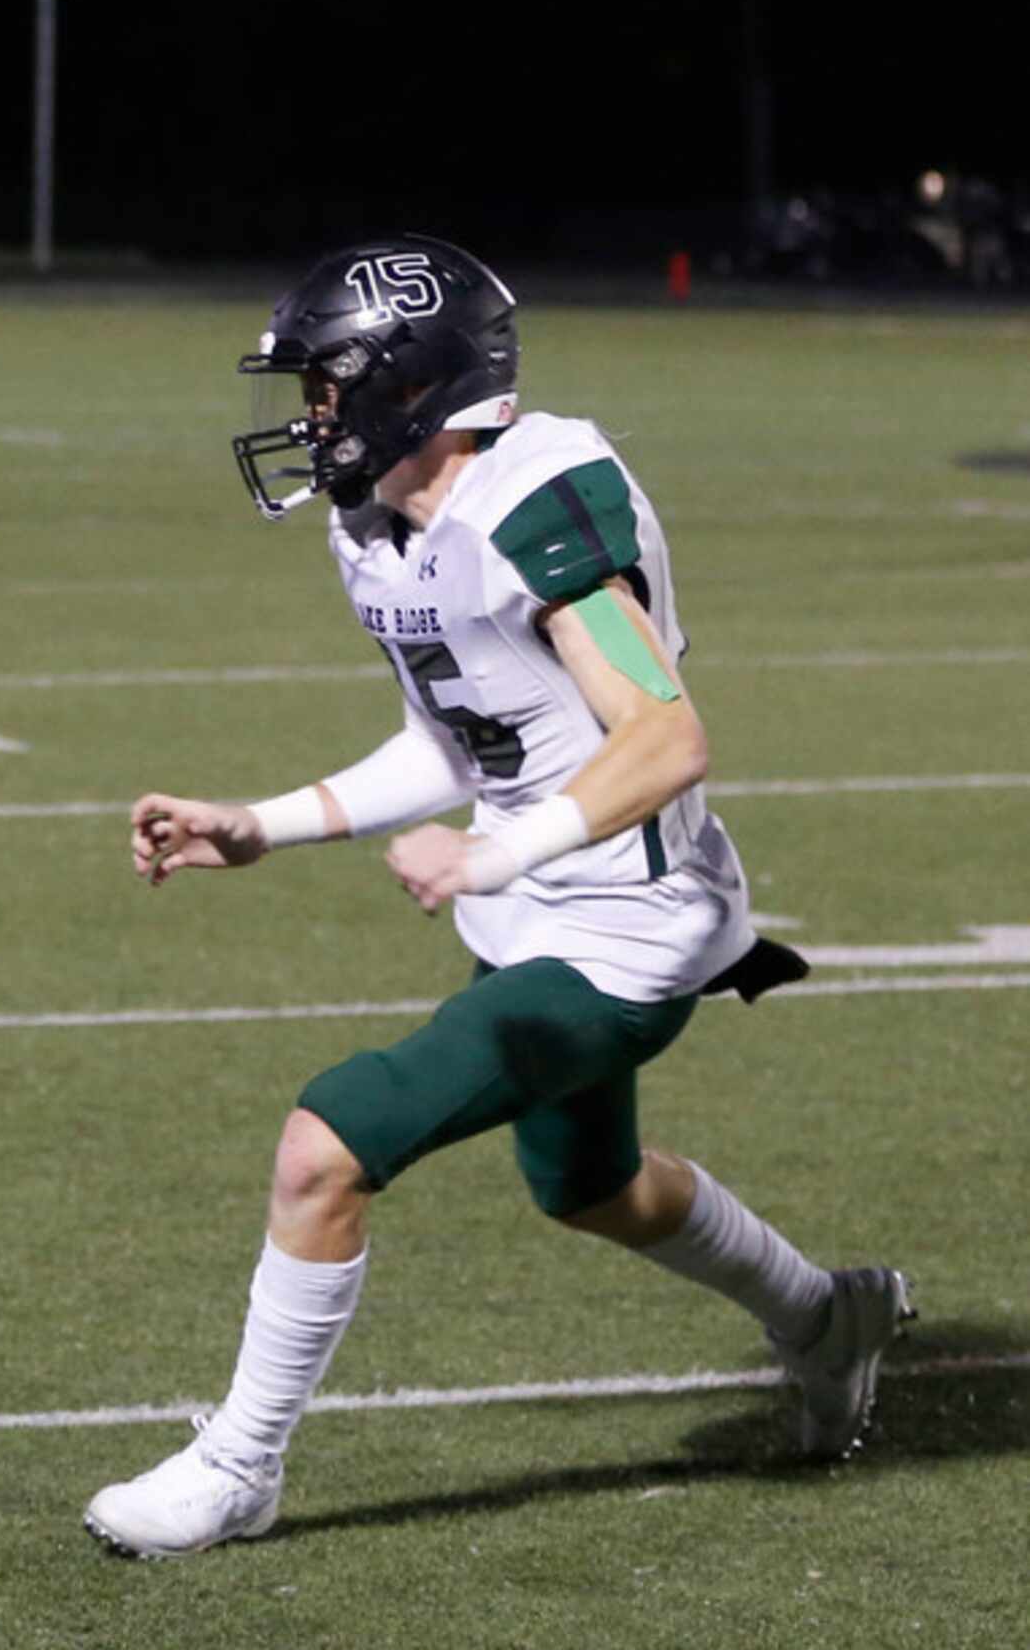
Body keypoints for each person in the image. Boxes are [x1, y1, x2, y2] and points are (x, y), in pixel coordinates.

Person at [83, 237, 911, 1560]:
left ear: (407, 387)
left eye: (323, 386)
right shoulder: (388, 518)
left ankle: (239, 1463)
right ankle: (824, 1317)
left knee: (324, 1144)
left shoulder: (539, 504)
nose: (306, 418)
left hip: (625, 928)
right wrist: (265, 823)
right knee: (585, 1182)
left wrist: (493, 854)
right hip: (538, 911)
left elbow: (662, 735)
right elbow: (464, 738)